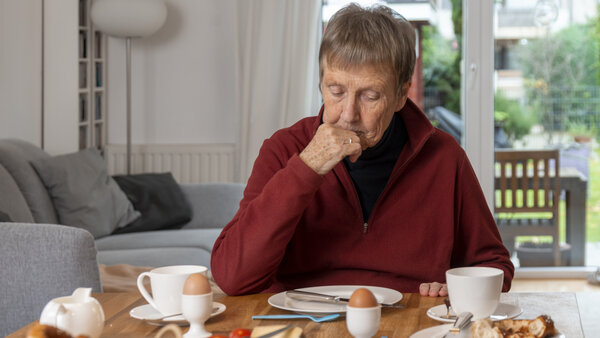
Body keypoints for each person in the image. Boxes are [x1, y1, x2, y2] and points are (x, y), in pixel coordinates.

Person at [211, 4, 514, 297]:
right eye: (336, 91)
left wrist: (456, 288)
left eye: (370, 96)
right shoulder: (283, 149)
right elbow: (232, 277)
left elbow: (494, 265)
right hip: (302, 322)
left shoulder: (445, 158)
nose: (349, 114)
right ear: (320, 84)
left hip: (408, 323)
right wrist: (307, 168)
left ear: (400, 96)